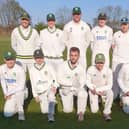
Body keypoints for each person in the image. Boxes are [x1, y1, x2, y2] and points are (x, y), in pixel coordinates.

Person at [57, 47, 87, 121]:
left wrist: (75, 87)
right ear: (69, 56)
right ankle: (66, 98)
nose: (73, 57)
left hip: (75, 88)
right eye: (72, 55)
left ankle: (80, 113)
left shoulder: (81, 67)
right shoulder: (62, 65)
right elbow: (59, 79)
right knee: (67, 110)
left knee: (83, 93)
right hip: (65, 88)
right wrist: (71, 83)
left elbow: (82, 82)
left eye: (75, 55)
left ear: (78, 56)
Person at [29, 49, 58, 122]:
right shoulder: (32, 69)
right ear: (34, 58)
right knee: (44, 111)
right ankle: (51, 103)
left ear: (43, 57)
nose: (39, 59)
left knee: (51, 97)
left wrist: (55, 86)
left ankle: (51, 116)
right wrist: (35, 95)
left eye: (40, 57)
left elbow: (55, 78)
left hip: (49, 88)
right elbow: (32, 83)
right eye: (37, 58)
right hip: (41, 91)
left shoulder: (49, 66)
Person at [86, 53, 113, 121]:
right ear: (95, 62)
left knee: (110, 93)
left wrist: (98, 90)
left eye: (101, 62)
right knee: (94, 111)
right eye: (98, 62)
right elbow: (87, 82)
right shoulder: (90, 69)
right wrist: (92, 88)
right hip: (93, 90)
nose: (100, 64)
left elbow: (110, 85)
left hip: (103, 89)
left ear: (104, 62)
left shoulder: (108, 70)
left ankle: (106, 112)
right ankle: (98, 100)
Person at [0, 51, 26, 120]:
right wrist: (5, 93)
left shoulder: (20, 69)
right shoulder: (1, 68)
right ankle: (17, 107)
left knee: (19, 93)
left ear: (14, 59)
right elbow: (2, 80)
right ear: (4, 60)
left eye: (11, 59)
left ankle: (21, 111)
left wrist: (9, 93)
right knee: (7, 114)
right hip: (10, 93)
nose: (10, 61)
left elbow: (21, 86)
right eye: (8, 59)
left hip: (22, 91)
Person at [112, 17, 129, 99]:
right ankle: (115, 95)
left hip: (127, 61)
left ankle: (123, 95)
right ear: (120, 25)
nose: (124, 26)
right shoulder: (116, 34)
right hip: (116, 60)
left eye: (125, 24)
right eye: (122, 24)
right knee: (115, 79)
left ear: (128, 25)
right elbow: (112, 46)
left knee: (125, 79)